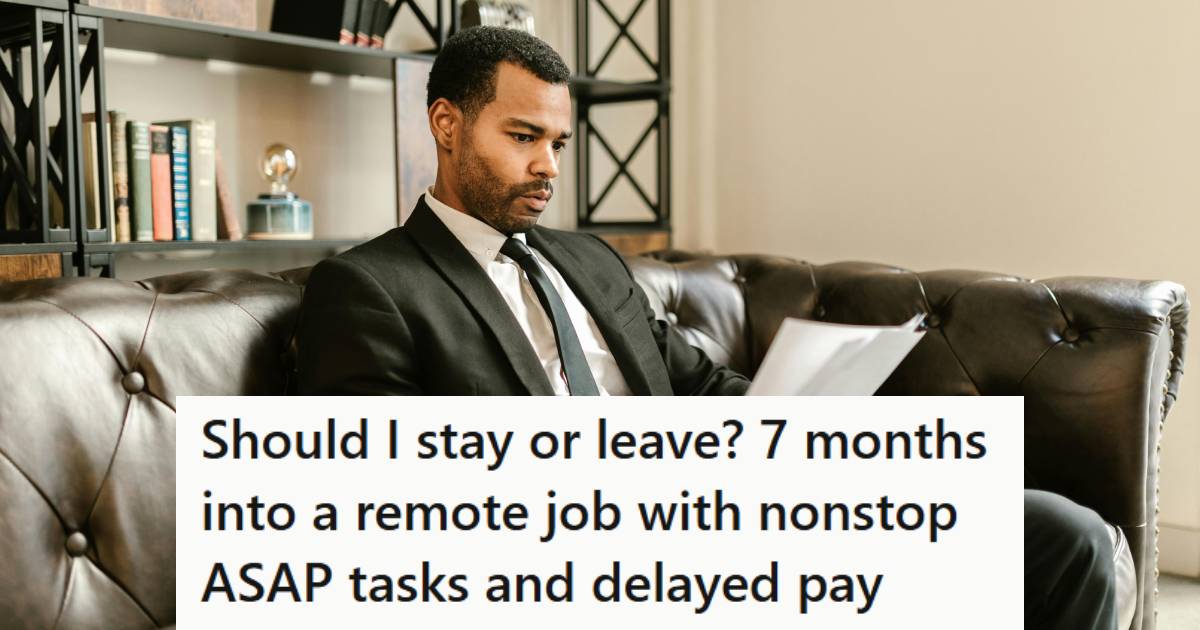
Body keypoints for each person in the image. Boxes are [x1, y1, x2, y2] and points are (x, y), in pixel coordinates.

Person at [295, 26, 748, 396]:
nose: (548, 167)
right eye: (524, 137)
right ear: (446, 125)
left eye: (558, 144)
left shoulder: (596, 259)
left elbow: (702, 385)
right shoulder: (367, 288)